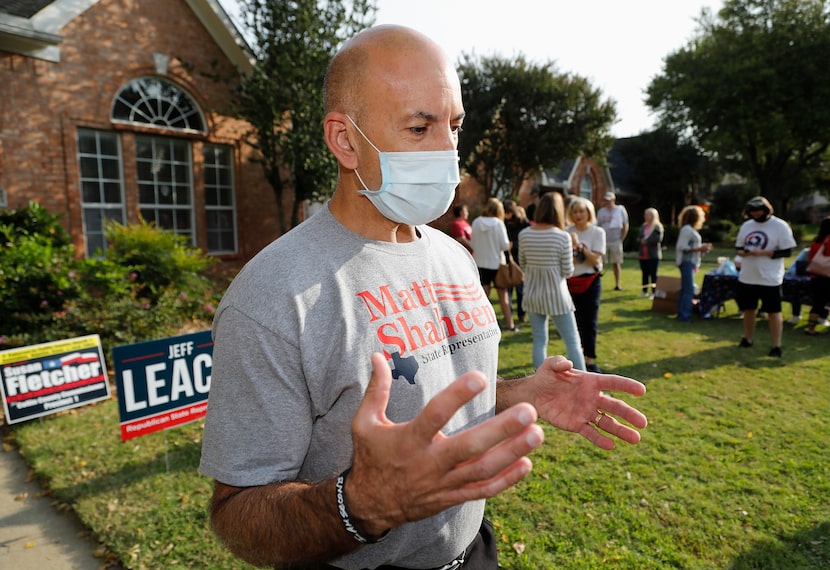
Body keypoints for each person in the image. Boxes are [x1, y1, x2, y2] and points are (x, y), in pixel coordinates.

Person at [199, 25, 648, 570]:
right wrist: (362, 504)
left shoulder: (450, 255)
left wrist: (516, 393)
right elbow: (237, 515)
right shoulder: (273, 297)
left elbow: (434, 400)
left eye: (454, 126)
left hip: (473, 550)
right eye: (420, 127)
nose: (447, 153)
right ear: (344, 140)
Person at [519, 192, 585, 371]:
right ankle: (583, 381)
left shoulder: (524, 234)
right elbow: (568, 271)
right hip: (557, 295)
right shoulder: (563, 236)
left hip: (532, 294)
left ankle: (540, 382)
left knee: (540, 340)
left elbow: (522, 264)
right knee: (572, 340)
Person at [735, 196, 797, 357]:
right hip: (748, 275)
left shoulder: (780, 226)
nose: (755, 214)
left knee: (773, 311)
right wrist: (743, 252)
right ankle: (747, 338)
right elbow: (739, 247)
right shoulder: (747, 226)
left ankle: (776, 345)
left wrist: (765, 253)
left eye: (758, 211)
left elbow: (787, 251)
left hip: (769, 277)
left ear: (766, 210)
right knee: (749, 309)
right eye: (752, 212)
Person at [566, 196, 606, 373]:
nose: (578, 215)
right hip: (571, 281)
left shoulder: (597, 232)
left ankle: (590, 359)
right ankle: (577, 356)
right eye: (575, 211)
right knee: (574, 321)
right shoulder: (566, 232)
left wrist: (580, 248)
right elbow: (567, 261)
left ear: (589, 212)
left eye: (582, 211)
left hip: (590, 281)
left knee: (590, 321)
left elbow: (594, 260)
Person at [472, 197, 519, 332]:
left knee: (482, 298)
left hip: (480, 263)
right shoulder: (498, 223)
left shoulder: (476, 222)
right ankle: (510, 325)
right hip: (497, 263)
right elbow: (504, 245)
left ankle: (482, 326)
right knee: (503, 297)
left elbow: (474, 244)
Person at [675, 205, 712, 323]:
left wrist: (701, 248)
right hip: (687, 262)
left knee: (686, 288)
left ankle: (682, 313)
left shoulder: (689, 230)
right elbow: (682, 246)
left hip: (690, 262)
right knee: (689, 290)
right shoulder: (687, 230)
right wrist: (699, 248)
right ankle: (684, 316)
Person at [503, 199, 531, 323]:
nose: (506, 215)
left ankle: (521, 314)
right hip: (507, 259)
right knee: (507, 289)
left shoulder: (523, 223)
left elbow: (529, 241)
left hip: (520, 259)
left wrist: (513, 245)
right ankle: (509, 314)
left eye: (508, 212)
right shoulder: (502, 222)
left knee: (521, 289)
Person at [596, 191, 629, 291]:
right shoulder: (601, 211)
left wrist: (621, 238)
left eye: (609, 200)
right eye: (605, 200)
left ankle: (617, 284)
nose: (607, 202)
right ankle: (598, 284)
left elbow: (625, 225)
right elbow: (597, 226)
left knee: (616, 263)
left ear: (613, 200)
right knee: (600, 263)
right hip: (603, 241)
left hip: (615, 240)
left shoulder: (620, 210)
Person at [805, 216, 830, 336]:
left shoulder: (816, 240)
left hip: (815, 275)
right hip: (827, 276)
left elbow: (811, 256)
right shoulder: (829, 241)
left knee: (817, 303)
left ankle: (811, 328)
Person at [637, 207, 664, 298]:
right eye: (645, 214)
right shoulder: (643, 226)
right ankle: (644, 291)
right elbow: (639, 237)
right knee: (644, 273)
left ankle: (654, 292)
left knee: (653, 274)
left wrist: (646, 241)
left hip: (653, 255)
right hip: (643, 254)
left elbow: (657, 238)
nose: (645, 216)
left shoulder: (657, 226)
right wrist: (640, 241)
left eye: (647, 215)